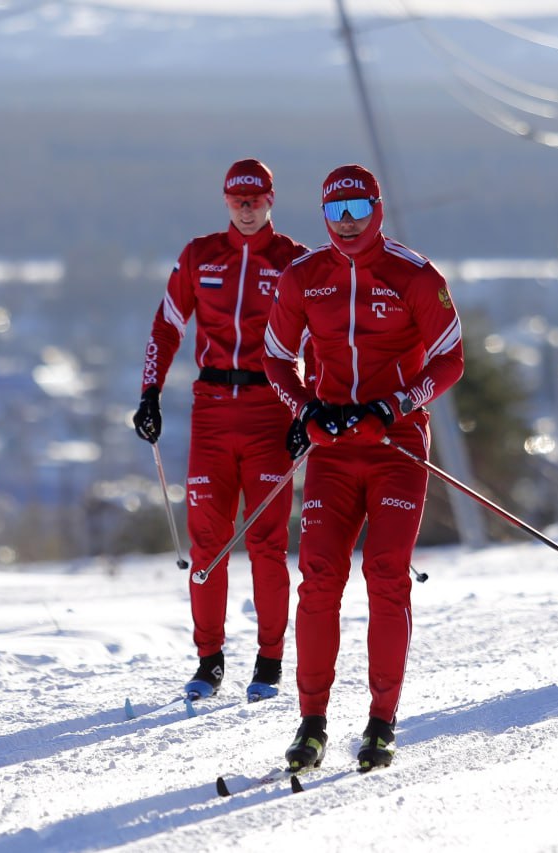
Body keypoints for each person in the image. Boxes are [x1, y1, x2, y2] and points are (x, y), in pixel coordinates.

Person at [262, 164, 464, 772]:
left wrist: (396, 406)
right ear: (322, 216)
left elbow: (450, 359)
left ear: (377, 209)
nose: (347, 225)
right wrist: (307, 412)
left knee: (386, 574)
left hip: (396, 443)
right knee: (320, 575)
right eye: (335, 213)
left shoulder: (415, 275)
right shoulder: (304, 278)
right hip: (332, 449)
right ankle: (312, 722)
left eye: (357, 211)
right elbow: (276, 358)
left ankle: (381, 722)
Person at [132, 158, 308, 702]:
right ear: (225, 201)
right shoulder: (200, 255)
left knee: (266, 543)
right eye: (237, 199)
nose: (247, 207)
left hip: (270, 408)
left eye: (256, 198)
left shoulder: (295, 260)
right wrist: (150, 393)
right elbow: (167, 324)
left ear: (271, 198)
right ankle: (208, 661)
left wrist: (308, 409)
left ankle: (270, 660)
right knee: (207, 543)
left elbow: (320, 339)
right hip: (210, 409)